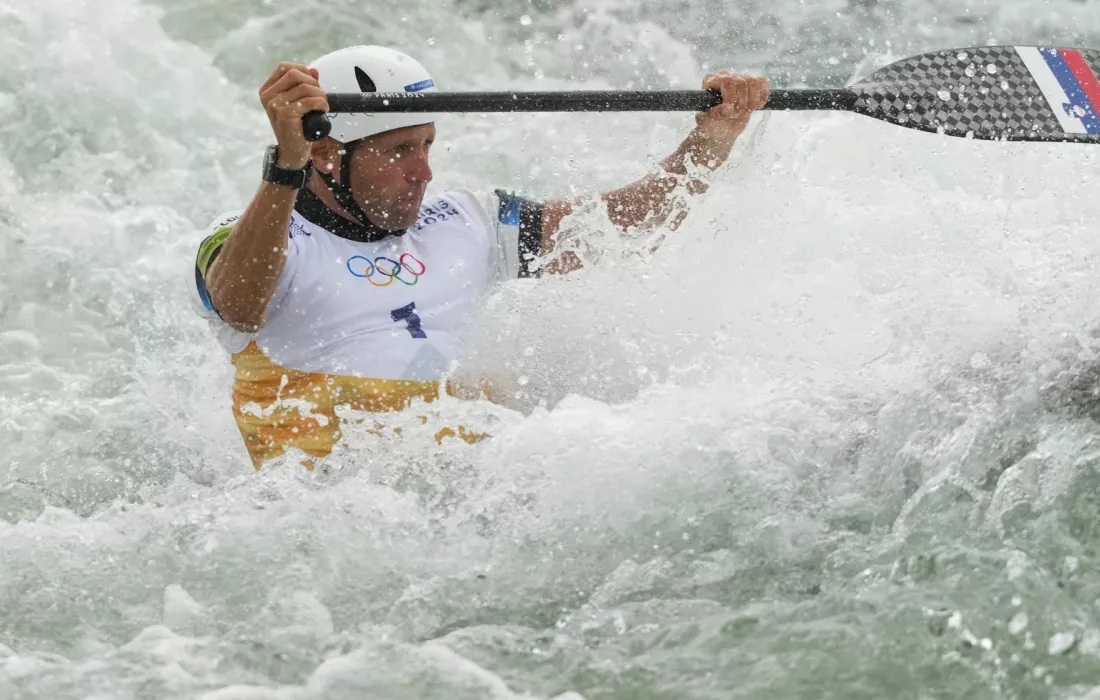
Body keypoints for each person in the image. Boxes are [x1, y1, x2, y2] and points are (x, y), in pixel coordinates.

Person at [190, 45, 769, 469]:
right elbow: (239, 308)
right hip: (341, 514)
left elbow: (621, 227)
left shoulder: (469, 220)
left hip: (483, 486)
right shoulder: (249, 237)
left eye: (427, 146)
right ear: (323, 155)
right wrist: (283, 167)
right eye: (397, 153)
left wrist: (714, 139)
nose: (424, 172)